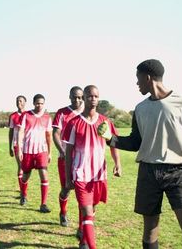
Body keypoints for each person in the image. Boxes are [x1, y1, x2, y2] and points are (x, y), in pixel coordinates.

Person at [98, 59, 182, 249]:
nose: (137, 83)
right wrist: (110, 138)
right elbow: (135, 142)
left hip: (177, 173)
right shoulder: (140, 109)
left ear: (147, 77)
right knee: (149, 230)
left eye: (138, 78)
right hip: (148, 172)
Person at [62, 85, 122, 249]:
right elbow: (68, 152)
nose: (93, 99)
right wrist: (68, 178)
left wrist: (118, 164)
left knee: (91, 210)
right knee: (87, 211)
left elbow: (113, 144)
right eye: (89, 96)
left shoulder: (105, 121)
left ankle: (83, 241)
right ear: (84, 98)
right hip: (81, 174)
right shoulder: (73, 123)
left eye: (96, 96)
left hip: (99, 174)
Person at [52, 86, 84, 227]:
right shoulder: (62, 113)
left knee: (81, 192)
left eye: (79, 97)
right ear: (69, 97)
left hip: (82, 159)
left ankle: (82, 226)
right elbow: (55, 133)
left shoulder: (86, 112)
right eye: (74, 97)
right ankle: (63, 212)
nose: (77, 99)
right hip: (65, 158)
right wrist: (62, 151)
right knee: (66, 188)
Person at [17, 94, 52, 213]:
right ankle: (23, 194)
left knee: (44, 174)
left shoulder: (47, 117)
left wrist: (50, 152)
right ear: (33, 103)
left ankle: (43, 204)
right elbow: (21, 132)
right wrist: (20, 150)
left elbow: (48, 135)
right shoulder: (26, 115)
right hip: (28, 151)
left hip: (41, 151)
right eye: (37, 103)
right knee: (26, 175)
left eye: (42, 103)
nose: (40, 105)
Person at [8, 95, 26, 192]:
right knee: (21, 166)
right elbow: (11, 132)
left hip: (27, 145)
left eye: (21, 101)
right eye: (17, 101)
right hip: (16, 144)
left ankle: (24, 188)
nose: (19, 103)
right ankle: (23, 192)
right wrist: (9, 146)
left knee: (26, 168)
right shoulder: (13, 116)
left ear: (25, 103)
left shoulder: (28, 115)